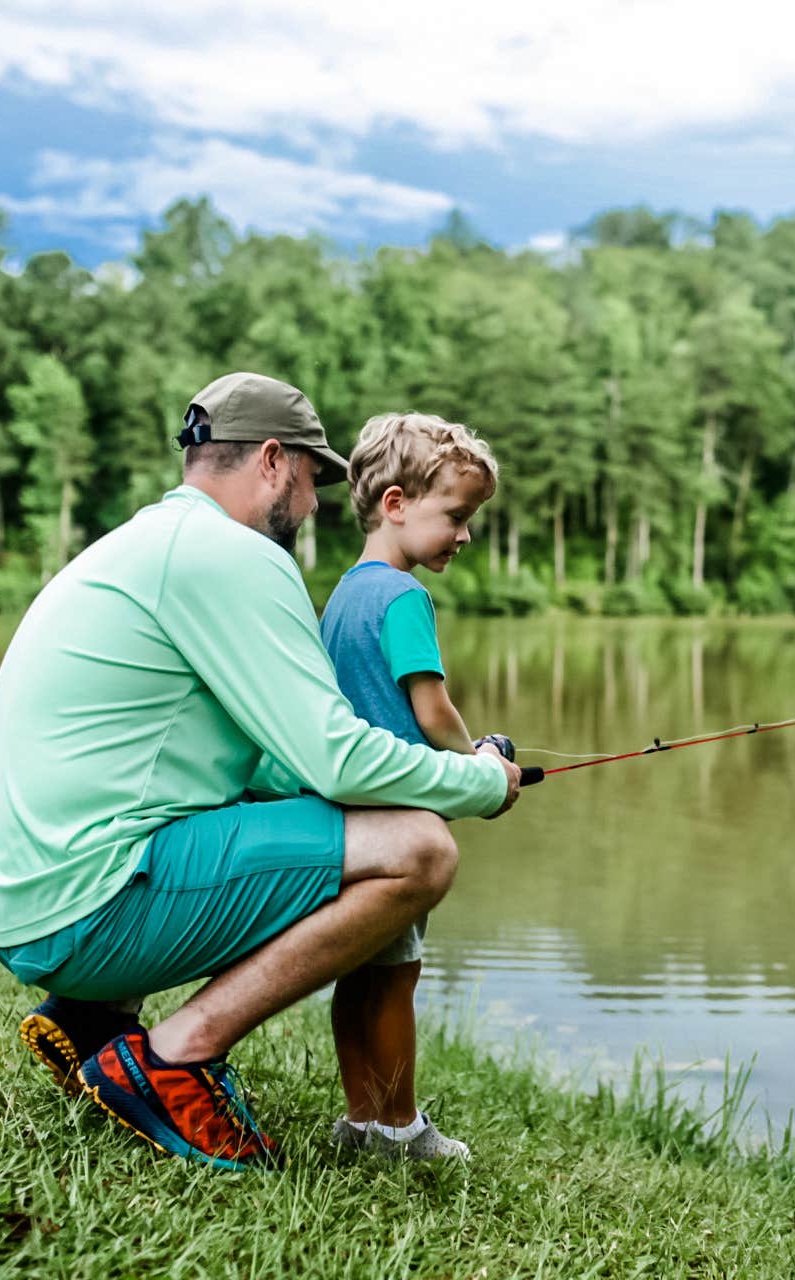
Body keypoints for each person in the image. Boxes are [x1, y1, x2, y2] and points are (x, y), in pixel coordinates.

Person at [0, 372, 522, 1171]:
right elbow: (334, 756)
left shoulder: (149, 541)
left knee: (265, 809)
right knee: (419, 849)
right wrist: (481, 782)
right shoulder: (236, 558)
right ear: (270, 461)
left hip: (21, 895)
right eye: (311, 478)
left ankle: (90, 1020)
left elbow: (265, 759)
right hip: (78, 907)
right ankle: (174, 1057)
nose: (318, 503)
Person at [310, 412, 504, 1162]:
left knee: (360, 976)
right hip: (400, 822)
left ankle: (361, 1121)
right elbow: (432, 709)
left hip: (347, 822)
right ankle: (398, 1128)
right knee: (396, 980)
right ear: (396, 504)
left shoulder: (342, 598)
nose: (463, 535)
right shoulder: (403, 599)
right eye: (456, 515)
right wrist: (482, 764)